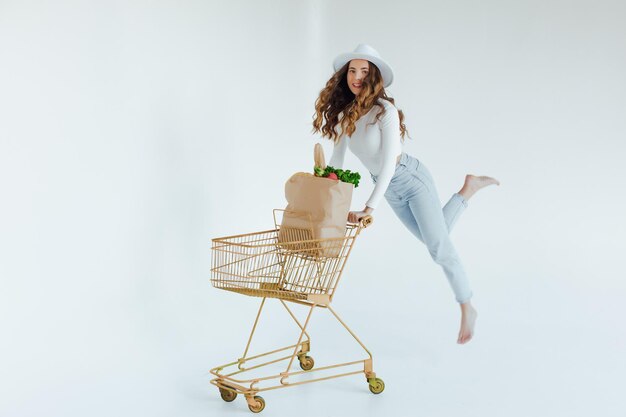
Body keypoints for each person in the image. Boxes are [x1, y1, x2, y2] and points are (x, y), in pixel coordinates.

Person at [312, 44, 499, 344]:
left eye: (364, 71)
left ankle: (467, 305)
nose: (357, 77)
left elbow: (388, 163)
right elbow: (337, 158)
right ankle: (468, 189)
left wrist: (368, 208)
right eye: (352, 71)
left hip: (409, 179)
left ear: (374, 76)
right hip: (387, 188)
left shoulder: (384, 111)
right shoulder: (347, 114)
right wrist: (323, 188)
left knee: (438, 247)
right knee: (435, 237)